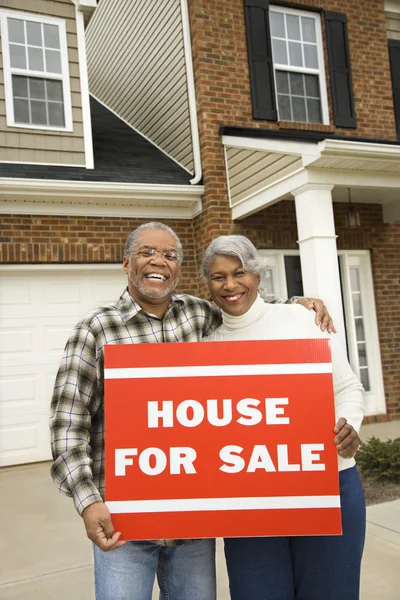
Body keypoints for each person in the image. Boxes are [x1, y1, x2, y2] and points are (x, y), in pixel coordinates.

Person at [50, 222, 334, 600]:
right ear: (126, 263)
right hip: (124, 522)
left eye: (170, 255)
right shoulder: (96, 329)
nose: (159, 261)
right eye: (148, 252)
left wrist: (298, 305)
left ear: (178, 269)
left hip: (192, 525)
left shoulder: (199, 315)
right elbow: (68, 426)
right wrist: (88, 501)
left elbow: (246, 310)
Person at [201, 234, 366, 600]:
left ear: (258, 275)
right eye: (218, 276)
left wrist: (350, 423)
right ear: (208, 284)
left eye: (239, 272)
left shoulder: (302, 320)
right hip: (247, 500)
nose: (230, 284)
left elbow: (348, 389)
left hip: (326, 484)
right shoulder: (205, 345)